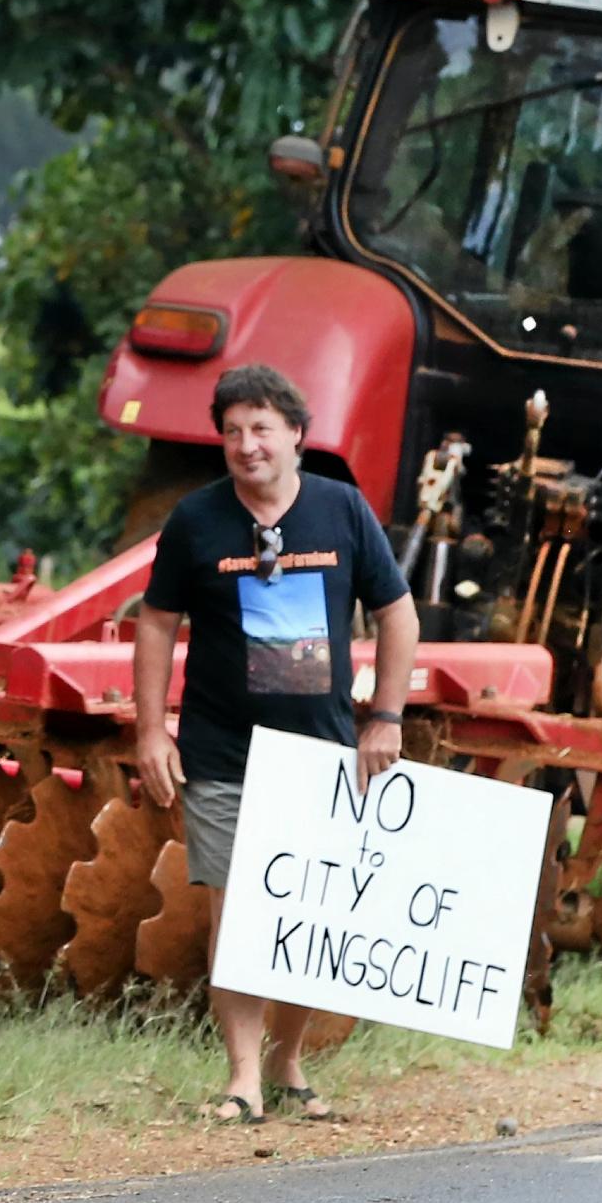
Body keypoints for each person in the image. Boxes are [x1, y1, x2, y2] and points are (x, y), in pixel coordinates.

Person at [132, 363, 419, 1125]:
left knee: (310, 919)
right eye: (231, 431)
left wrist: (385, 717)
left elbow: (397, 614)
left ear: (297, 434)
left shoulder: (342, 511)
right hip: (221, 751)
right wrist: (151, 727)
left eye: (261, 429)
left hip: (321, 754)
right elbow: (157, 621)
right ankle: (241, 1077)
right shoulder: (195, 521)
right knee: (238, 916)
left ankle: (289, 1059)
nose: (245, 445)